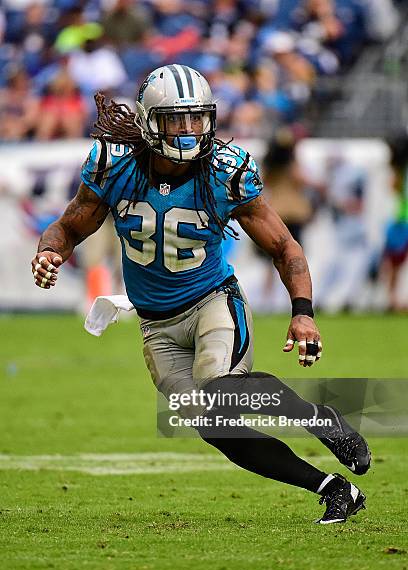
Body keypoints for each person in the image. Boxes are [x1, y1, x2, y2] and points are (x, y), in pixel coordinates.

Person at [31, 64, 371, 524]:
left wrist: (303, 312)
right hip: (156, 323)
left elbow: (283, 246)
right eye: (177, 119)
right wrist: (50, 252)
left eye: (197, 118)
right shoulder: (115, 165)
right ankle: (334, 490)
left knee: (222, 386)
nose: (190, 130)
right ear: (151, 121)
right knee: (215, 425)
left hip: (212, 300)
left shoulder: (224, 171)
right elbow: (70, 226)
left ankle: (322, 420)